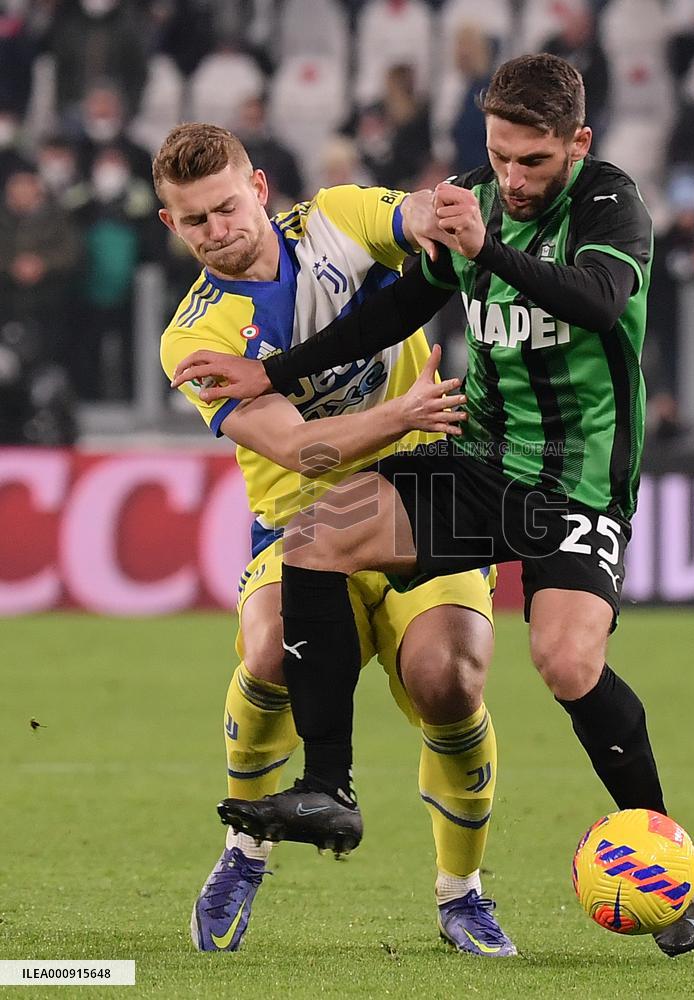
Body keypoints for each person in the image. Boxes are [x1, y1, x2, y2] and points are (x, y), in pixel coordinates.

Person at [174, 55, 694, 957]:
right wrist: (273, 372)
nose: (512, 178)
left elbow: (598, 301)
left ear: (576, 145)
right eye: (498, 156)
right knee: (313, 539)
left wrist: (484, 250)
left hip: (574, 476)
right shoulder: (477, 196)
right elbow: (394, 310)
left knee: (566, 663)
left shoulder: (611, 203)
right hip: (479, 457)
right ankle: (329, 789)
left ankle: (660, 852)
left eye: (532, 161)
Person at [155, 123, 516, 957]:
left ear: (258, 188)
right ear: (172, 227)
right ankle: (246, 845)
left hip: (422, 498)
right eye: (196, 220)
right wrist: (403, 411)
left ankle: (460, 892)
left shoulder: (340, 218)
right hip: (301, 520)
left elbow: (417, 216)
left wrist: (438, 216)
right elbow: (297, 448)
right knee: (271, 651)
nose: (219, 229)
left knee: (449, 680)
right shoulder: (194, 338)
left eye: (225, 206)